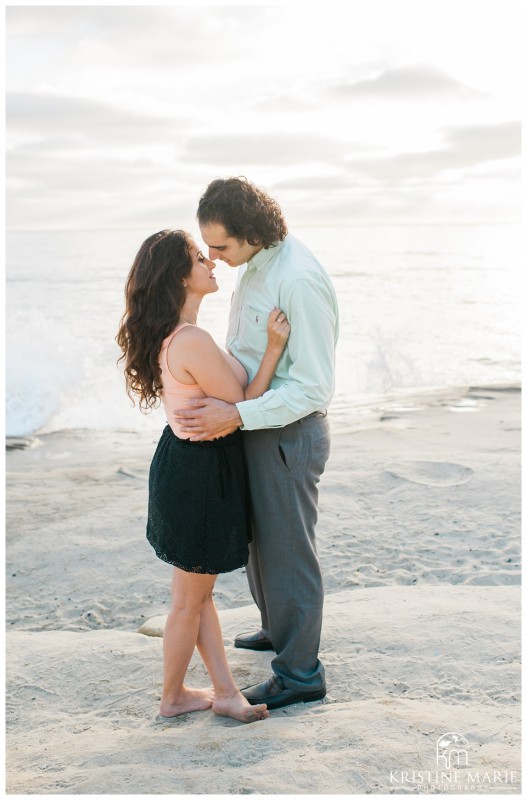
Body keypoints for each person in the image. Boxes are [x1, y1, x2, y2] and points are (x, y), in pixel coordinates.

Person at [174, 178, 339, 710]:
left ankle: (300, 673)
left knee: (288, 553)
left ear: (251, 233)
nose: (214, 258)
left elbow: (313, 385)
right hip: (254, 421)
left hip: (287, 431)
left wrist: (237, 412)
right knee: (258, 544)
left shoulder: (298, 278)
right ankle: (279, 630)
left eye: (220, 246)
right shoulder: (257, 264)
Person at [116, 229, 291, 723]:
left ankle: (220, 691)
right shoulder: (190, 339)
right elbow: (246, 403)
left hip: (184, 464)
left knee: (194, 597)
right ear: (179, 276)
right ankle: (175, 698)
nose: (211, 262)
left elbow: (227, 399)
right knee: (188, 603)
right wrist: (275, 348)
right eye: (198, 258)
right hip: (200, 474)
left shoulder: (172, 335)